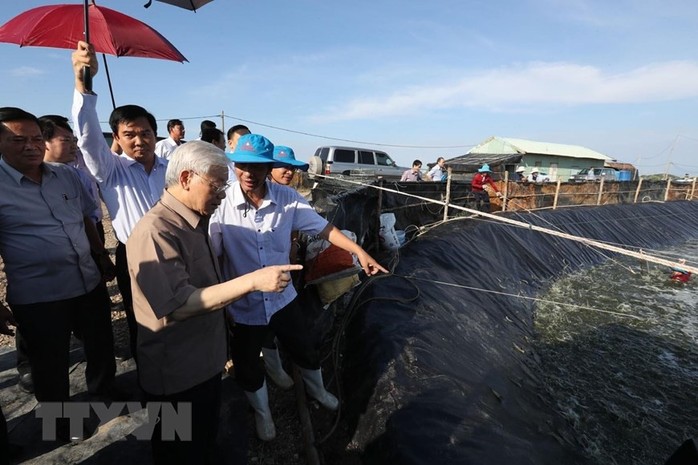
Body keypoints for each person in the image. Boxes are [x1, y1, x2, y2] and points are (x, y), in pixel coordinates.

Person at [127, 140, 299, 464]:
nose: (223, 196)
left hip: (203, 363)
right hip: (176, 376)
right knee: (178, 451)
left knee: (201, 441)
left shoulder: (195, 221)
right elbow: (179, 305)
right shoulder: (156, 232)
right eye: (218, 187)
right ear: (187, 178)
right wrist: (253, 281)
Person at [209, 134, 387, 441]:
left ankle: (318, 391)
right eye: (242, 166)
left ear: (270, 168)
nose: (249, 174)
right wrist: (221, 304)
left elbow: (324, 227)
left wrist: (360, 252)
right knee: (249, 365)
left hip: (282, 298)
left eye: (258, 167)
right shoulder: (221, 204)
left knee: (304, 347)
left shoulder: (288, 199)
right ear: (234, 164)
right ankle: (264, 414)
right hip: (244, 304)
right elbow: (213, 257)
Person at [0, 107, 117, 440]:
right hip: (40, 296)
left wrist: (100, 256)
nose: (31, 146)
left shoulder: (65, 175)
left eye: (36, 139)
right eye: (18, 140)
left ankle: (104, 392)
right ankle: (60, 425)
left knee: (100, 345)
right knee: (49, 365)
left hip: (87, 281)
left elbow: (84, 219)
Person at [72, 40, 168, 362]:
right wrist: (83, 82)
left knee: (181, 314)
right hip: (136, 255)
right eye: (129, 134)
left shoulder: (173, 170)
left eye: (145, 132)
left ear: (156, 134)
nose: (139, 140)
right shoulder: (111, 171)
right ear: (117, 138)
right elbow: (86, 137)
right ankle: (152, 385)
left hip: (178, 249)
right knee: (143, 321)